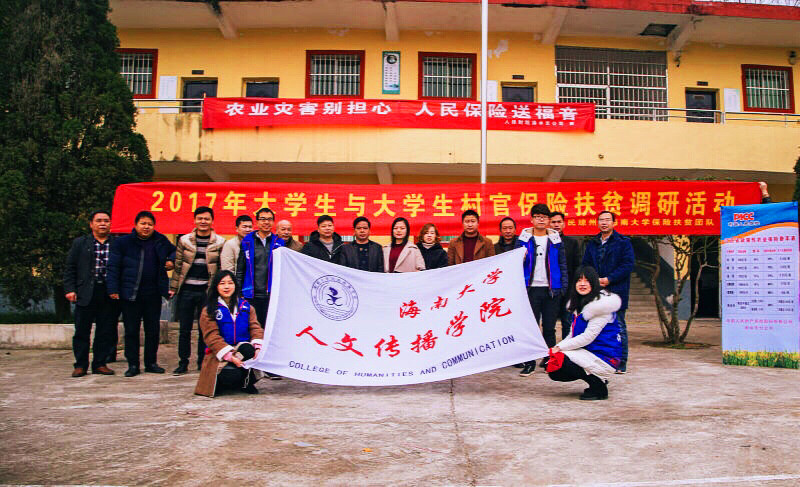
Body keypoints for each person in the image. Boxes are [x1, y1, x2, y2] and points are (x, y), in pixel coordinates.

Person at [107, 211, 176, 378]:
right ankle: (133, 364)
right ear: (136, 225)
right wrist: (113, 289)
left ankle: (151, 363)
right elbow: (113, 267)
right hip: (130, 293)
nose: (146, 227)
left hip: (153, 293)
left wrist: (171, 260)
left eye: (150, 224)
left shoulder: (160, 240)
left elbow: (175, 251)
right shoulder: (123, 242)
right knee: (131, 330)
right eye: (143, 224)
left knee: (152, 330)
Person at [548, 266, 623, 400]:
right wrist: (557, 348)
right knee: (554, 367)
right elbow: (572, 335)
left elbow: (588, 337)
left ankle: (599, 388)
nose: (582, 284)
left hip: (605, 356)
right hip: (590, 352)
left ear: (594, 283)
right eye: (579, 280)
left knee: (562, 361)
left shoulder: (601, 307)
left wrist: (559, 348)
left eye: (587, 280)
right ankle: (598, 378)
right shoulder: (579, 305)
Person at [169, 206, 226, 375]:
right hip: (186, 290)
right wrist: (173, 287)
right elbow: (178, 266)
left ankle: (202, 362)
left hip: (207, 292)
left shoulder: (220, 242)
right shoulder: (184, 240)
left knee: (205, 329)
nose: (203, 221)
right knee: (184, 329)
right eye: (200, 218)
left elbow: (220, 268)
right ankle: (183, 362)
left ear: (212, 221)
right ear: (194, 220)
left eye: (207, 219)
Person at [64, 210, 119, 377]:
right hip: (85, 292)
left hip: (108, 292)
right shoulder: (80, 243)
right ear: (91, 224)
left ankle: (100, 364)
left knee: (105, 330)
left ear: (110, 224)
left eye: (106, 221)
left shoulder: (117, 243)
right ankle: (80, 365)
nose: (103, 224)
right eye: (99, 220)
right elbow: (70, 268)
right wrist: (70, 289)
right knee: (82, 330)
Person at [517, 203, 568, 377]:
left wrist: (563, 286)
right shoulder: (523, 239)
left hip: (551, 289)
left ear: (548, 220)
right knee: (530, 327)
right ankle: (529, 362)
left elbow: (562, 263)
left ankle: (549, 361)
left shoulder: (555, 239)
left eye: (544, 217)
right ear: (531, 219)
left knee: (549, 328)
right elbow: (515, 263)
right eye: (537, 216)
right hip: (530, 289)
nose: (541, 220)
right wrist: (521, 258)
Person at [195, 271, 264, 397]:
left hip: (241, 352)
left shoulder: (246, 307)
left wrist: (258, 347)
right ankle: (226, 381)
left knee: (248, 349)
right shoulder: (209, 310)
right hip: (219, 354)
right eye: (222, 283)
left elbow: (255, 328)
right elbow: (212, 337)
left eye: (230, 283)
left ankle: (246, 382)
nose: (226, 287)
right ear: (216, 286)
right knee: (230, 375)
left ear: (235, 286)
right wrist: (230, 356)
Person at [582, 210, 634, 374]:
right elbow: (585, 264)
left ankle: (621, 362)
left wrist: (609, 279)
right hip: (595, 290)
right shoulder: (592, 243)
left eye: (607, 220)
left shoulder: (623, 242)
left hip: (616, 290)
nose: (604, 223)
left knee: (619, 326)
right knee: (595, 326)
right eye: (601, 220)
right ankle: (599, 359)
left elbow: (628, 265)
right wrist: (593, 280)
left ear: (614, 223)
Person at [236, 207, 284, 328]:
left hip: (271, 294)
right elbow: (241, 269)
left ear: (273, 222)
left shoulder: (279, 242)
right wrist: (238, 292)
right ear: (257, 222)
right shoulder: (247, 242)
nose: (266, 222)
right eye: (263, 219)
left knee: (269, 327)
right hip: (251, 293)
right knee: (252, 326)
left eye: (269, 219)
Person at [550, 211, 580, 341]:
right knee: (549, 324)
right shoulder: (543, 242)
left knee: (567, 322)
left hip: (568, 290)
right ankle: (550, 350)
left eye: (559, 222)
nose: (556, 225)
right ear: (548, 224)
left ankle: (567, 350)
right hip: (549, 289)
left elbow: (577, 266)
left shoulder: (572, 243)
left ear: (564, 224)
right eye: (553, 222)